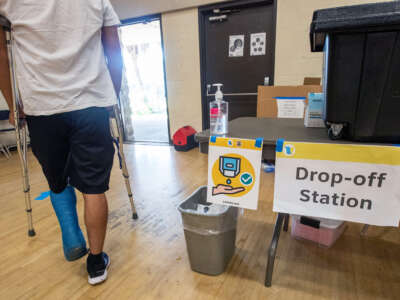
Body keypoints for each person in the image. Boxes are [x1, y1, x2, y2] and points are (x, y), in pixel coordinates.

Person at [0, 0, 123, 285]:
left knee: (57, 178)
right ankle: (95, 263)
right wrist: (112, 95)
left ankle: (70, 231)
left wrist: (12, 104)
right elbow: (114, 50)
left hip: (41, 107)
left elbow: (1, 56)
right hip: (90, 102)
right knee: (94, 186)